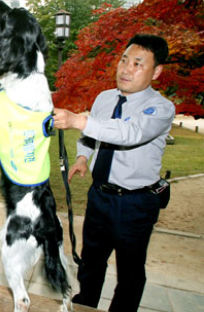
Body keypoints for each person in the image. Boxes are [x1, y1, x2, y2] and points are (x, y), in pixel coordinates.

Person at [53, 34, 174, 311]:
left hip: (136, 202)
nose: (126, 69)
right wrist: (83, 157)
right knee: (91, 262)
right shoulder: (105, 98)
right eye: (123, 60)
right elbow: (92, 135)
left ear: (156, 71)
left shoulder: (160, 108)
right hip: (100, 196)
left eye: (137, 64)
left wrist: (77, 120)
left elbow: (129, 133)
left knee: (130, 272)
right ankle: (85, 305)